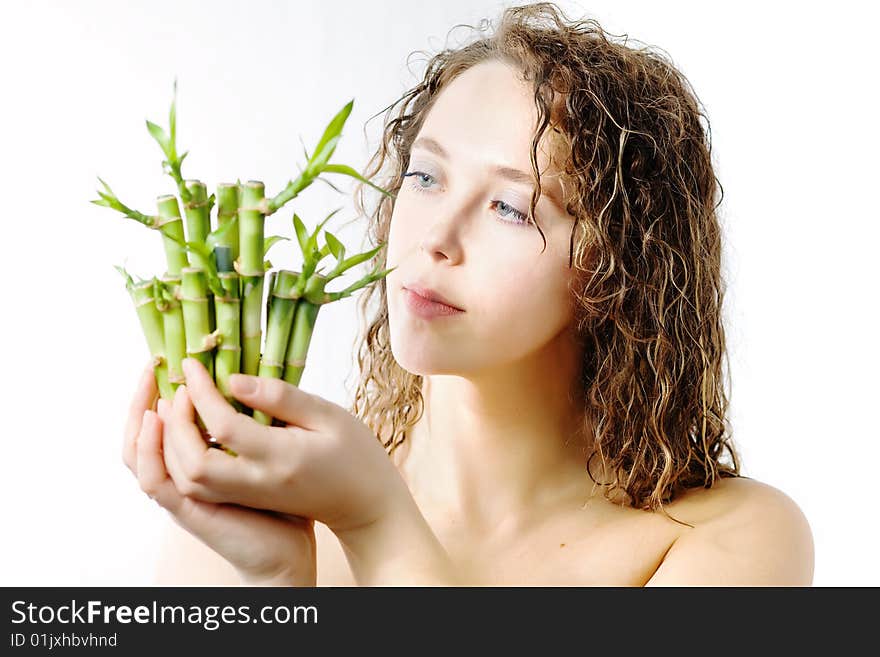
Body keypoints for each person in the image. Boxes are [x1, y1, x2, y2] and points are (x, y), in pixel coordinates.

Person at [122, 2, 814, 586]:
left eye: (510, 208)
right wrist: (280, 586)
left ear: (615, 266)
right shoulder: (240, 524)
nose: (436, 238)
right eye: (425, 178)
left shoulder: (730, 539)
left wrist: (380, 525)